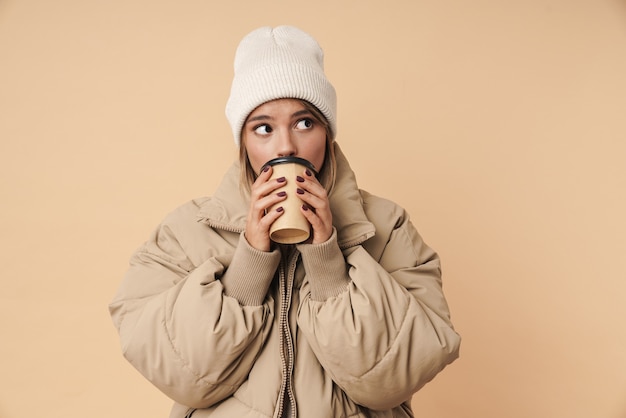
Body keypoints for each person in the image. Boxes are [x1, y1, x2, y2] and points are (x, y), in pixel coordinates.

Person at [109, 25, 461, 418]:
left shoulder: (387, 226)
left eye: (304, 122)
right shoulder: (186, 231)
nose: (286, 146)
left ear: (328, 132)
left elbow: (392, 379)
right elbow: (182, 376)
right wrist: (249, 263)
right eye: (263, 128)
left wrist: (327, 257)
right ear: (243, 140)